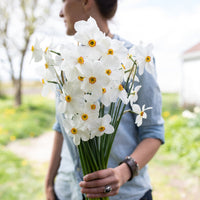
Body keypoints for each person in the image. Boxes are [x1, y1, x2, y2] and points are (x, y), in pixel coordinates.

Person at [45, 0, 165, 200]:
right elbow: (62, 126)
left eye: (64, 0)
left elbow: (153, 131)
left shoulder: (134, 59)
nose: (59, 12)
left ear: (86, 2)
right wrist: (49, 185)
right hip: (68, 192)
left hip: (124, 194)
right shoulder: (65, 62)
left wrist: (123, 172)